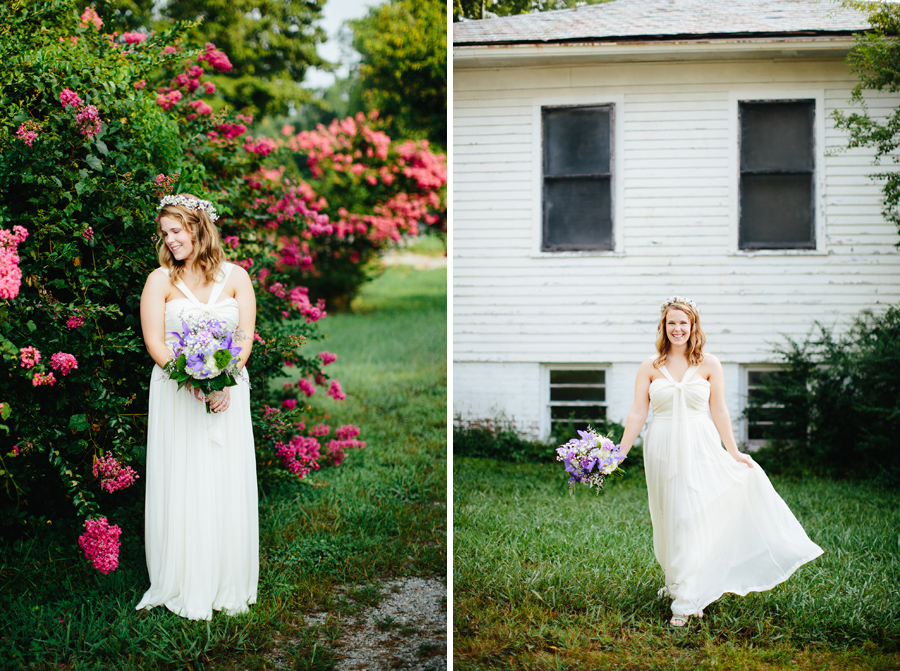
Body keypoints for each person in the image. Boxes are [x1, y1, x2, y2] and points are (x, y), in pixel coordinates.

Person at [617, 296, 823, 627]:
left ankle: (687, 600)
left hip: (700, 446)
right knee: (669, 516)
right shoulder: (650, 367)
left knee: (691, 514)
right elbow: (638, 411)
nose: (678, 328)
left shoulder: (710, 364)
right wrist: (620, 452)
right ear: (663, 327)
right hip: (660, 448)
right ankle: (679, 581)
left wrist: (734, 451)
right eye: (672, 322)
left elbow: (720, 410)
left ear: (693, 326)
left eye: (684, 322)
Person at [136, 194, 259, 620]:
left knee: (223, 477)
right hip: (177, 392)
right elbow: (154, 341)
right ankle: (183, 578)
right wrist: (191, 377)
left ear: (199, 228)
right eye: (164, 233)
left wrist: (222, 379)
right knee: (184, 478)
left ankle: (226, 577)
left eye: (177, 230)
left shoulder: (238, 277)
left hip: (229, 391)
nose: (170, 240)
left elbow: (244, 337)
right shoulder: (160, 281)